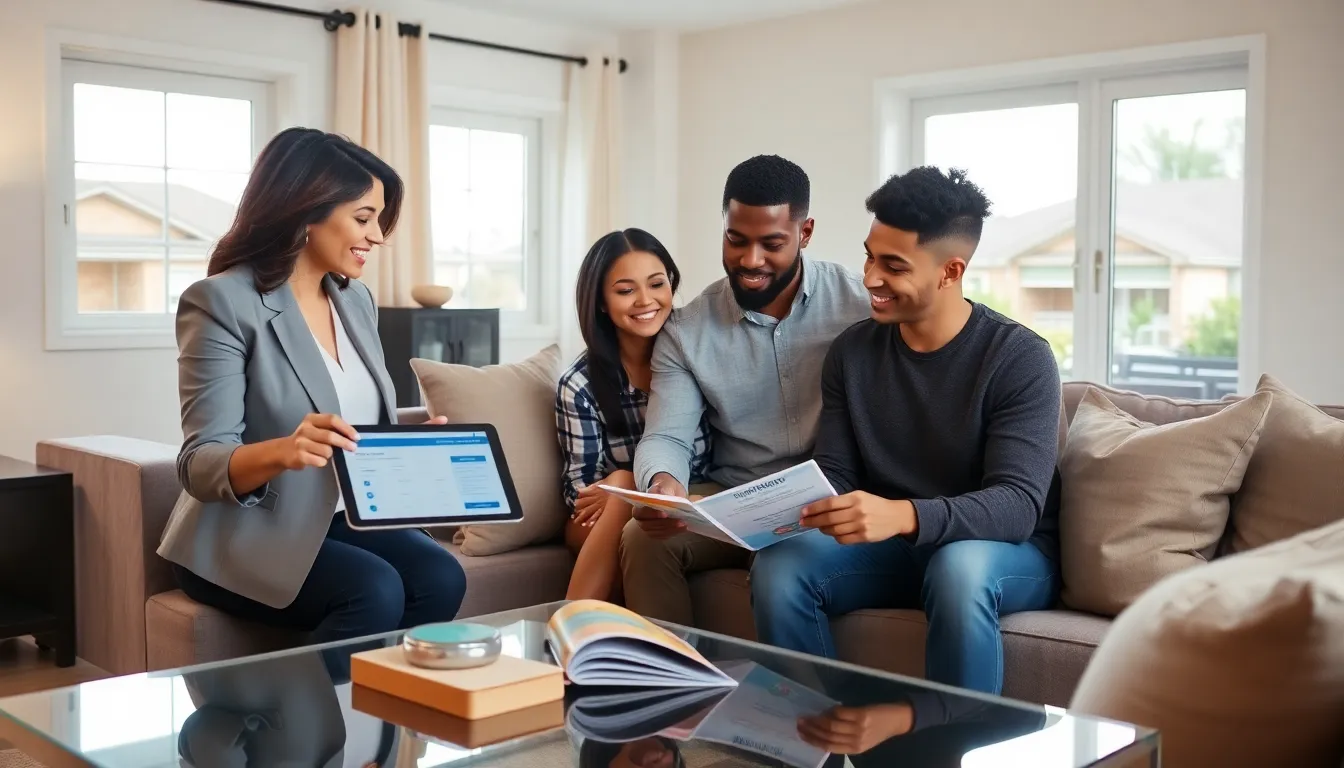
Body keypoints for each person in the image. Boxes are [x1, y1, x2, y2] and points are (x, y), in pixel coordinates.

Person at [749, 166, 1062, 696]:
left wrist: (903, 514)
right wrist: (761, 511)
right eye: (870, 256)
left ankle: (956, 739)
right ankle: (812, 735)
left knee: (958, 568)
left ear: (950, 271)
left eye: (893, 266)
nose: (870, 278)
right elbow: (837, 472)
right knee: (780, 567)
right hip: (895, 547)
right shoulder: (852, 352)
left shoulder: (1019, 358)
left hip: (1003, 552)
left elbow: (1016, 506)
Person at [158, 127, 468, 653]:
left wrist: (416, 440)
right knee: (373, 590)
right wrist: (284, 450)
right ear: (306, 211)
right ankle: (307, 709)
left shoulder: (355, 300)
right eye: (364, 218)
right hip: (246, 530)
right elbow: (200, 463)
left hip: (342, 517)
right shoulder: (221, 302)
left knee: (442, 577)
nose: (377, 237)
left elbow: (349, 420)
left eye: (380, 221)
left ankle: (381, 704)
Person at [622, 154, 871, 625]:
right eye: (735, 240)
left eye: (771, 243)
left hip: (830, 502)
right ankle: (669, 671)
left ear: (805, 232)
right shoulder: (687, 331)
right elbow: (667, 436)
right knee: (642, 538)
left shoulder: (860, 306)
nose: (750, 260)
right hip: (735, 500)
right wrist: (663, 484)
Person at [556, 228, 712, 602]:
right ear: (601, 302)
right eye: (626, 290)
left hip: (695, 496)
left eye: (656, 284)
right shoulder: (579, 384)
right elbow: (581, 489)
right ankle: (577, 622)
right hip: (596, 518)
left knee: (626, 483)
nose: (645, 300)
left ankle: (574, 625)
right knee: (624, 482)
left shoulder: (697, 357)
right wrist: (627, 490)